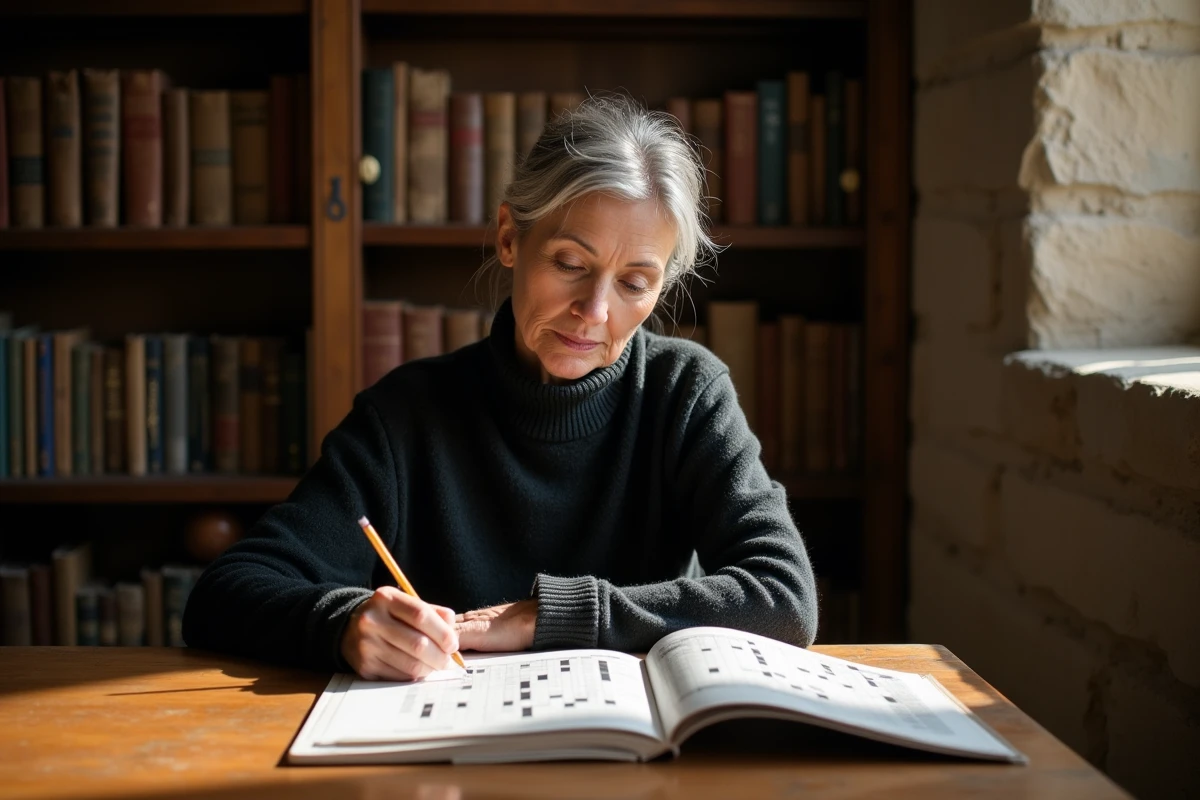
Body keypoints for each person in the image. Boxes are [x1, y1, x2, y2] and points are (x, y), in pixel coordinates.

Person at [183, 94, 818, 681]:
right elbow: (228, 590)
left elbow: (785, 597)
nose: (594, 310)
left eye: (634, 283)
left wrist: (549, 615)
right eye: (570, 264)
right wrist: (341, 624)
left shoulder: (685, 393)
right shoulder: (406, 417)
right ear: (511, 238)